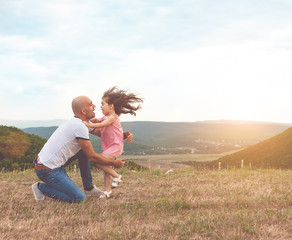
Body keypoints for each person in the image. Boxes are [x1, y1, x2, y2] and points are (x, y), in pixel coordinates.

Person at [31, 95, 133, 203]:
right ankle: (40, 188)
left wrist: (122, 136)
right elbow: (92, 157)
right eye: (90, 104)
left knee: (83, 151)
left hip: (48, 164)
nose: (94, 106)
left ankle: (88, 188)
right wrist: (114, 163)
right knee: (79, 198)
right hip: (47, 170)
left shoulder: (80, 122)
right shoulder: (80, 126)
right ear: (83, 111)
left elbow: (103, 134)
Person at [83, 87, 143, 198]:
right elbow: (97, 120)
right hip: (110, 146)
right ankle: (108, 191)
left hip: (115, 146)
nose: (100, 106)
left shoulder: (113, 118)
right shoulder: (105, 117)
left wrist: (88, 125)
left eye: (102, 104)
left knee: (99, 162)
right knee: (106, 168)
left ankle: (117, 176)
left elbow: (102, 125)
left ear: (111, 106)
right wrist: (87, 119)